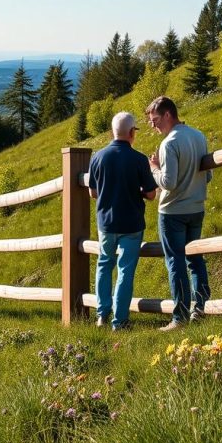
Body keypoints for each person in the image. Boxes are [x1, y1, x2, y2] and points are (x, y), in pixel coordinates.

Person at [146, 96, 212, 332]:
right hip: (197, 207)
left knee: (175, 262)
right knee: (195, 259)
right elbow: (208, 174)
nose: (154, 126)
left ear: (167, 115)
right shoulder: (198, 136)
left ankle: (180, 316)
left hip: (172, 210)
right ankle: (201, 308)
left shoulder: (169, 143)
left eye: (155, 121)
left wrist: (154, 168)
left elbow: (168, 182)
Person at [88, 111, 157, 331]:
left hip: (106, 223)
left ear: (112, 132)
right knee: (125, 270)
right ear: (131, 133)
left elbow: (92, 192)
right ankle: (120, 320)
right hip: (131, 224)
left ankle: (102, 314)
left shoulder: (97, 157)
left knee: (104, 265)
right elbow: (151, 194)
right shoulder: (138, 159)